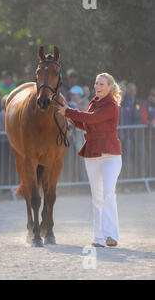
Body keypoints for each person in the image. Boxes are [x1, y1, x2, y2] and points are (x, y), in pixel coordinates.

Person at [57, 72, 122, 248]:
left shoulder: (111, 105)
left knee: (108, 193)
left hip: (111, 156)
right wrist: (68, 116)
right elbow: (86, 123)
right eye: (96, 83)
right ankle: (99, 238)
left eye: (102, 84)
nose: (98, 86)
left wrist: (69, 111)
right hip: (92, 154)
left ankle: (111, 235)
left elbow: (92, 118)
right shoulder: (94, 103)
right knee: (97, 197)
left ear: (110, 87)